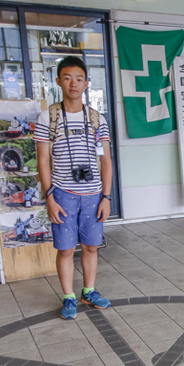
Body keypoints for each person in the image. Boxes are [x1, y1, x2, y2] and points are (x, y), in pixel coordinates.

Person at [36, 56, 114, 320]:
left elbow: (106, 161)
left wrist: (106, 196)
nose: (74, 84)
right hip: (63, 194)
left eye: (79, 79)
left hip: (93, 195)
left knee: (91, 247)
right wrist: (49, 198)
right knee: (66, 249)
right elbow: (43, 160)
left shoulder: (96, 119)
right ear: (58, 81)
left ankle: (88, 292)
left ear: (86, 84)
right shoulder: (48, 117)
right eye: (68, 78)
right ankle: (69, 296)